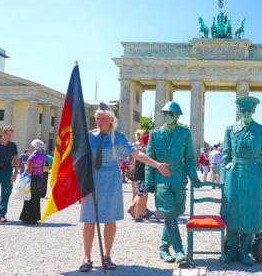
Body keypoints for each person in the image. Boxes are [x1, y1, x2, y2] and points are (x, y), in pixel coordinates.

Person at [79, 103, 170, 272]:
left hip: (111, 180)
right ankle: (87, 257)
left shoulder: (119, 137)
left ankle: (107, 255)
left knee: (109, 218)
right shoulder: (89, 136)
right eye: (97, 118)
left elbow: (136, 154)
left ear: (111, 120)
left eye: (102, 118)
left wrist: (156, 164)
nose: (99, 121)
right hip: (91, 180)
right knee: (89, 218)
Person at [145, 101, 202, 265]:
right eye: (165, 113)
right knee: (169, 214)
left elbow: (189, 159)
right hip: (161, 180)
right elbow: (150, 159)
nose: (167, 116)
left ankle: (163, 248)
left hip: (178, 180)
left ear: (177, 116)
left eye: (171, 114)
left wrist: (193, 176)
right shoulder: (155, 134)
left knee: (175, 213)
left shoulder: (185, 133)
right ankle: (179, 251)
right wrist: (149, 180)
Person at [220, 96, 262, 265]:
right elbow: (225, 156)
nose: (246, 113)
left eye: (249, 110)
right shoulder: (230, 129)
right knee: (232, 211)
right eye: (244, 110)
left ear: (254, 111)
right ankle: (233, 248)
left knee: (251, 212)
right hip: (234, 174)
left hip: (253, 175)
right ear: (240, 111)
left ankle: (244, 250)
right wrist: (223, 178)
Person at [0, 126, 19, 223]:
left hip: (7, 171)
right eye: (9, 135)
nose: (10, 137)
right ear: (3, 134)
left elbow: (16, 160)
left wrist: (15, 174)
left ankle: (1, 215)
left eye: (11, 136)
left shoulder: (12, 145)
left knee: (6, 193)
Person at [19, 139, 46, 224]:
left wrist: (24, 165)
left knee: (28, 198)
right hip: (39, 178)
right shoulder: (43, 156)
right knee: (36, 199)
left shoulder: (32, 156)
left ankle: (27, 217)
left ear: (34, 146)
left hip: (32, 178)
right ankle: (35, 217)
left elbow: (28, 170)